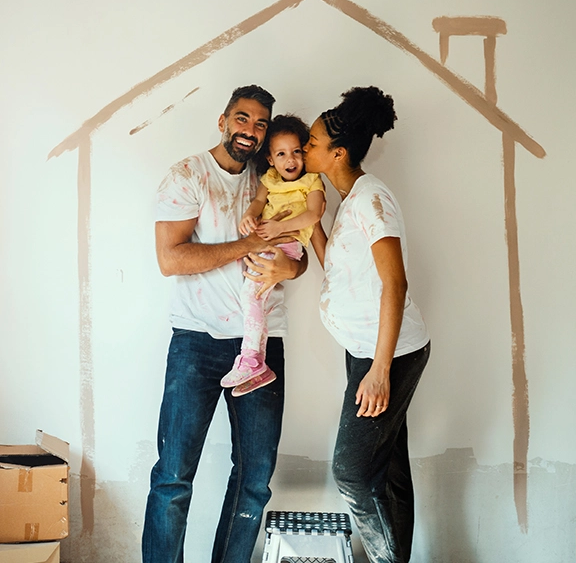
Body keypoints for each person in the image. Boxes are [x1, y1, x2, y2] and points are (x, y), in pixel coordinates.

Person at [142, 85, 308, 563]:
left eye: (260, 123)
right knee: (173, 477)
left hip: (261, 344)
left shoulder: (273, 174)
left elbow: (301, 252)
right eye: (242, 119)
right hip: (197, 340)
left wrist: (289, 268)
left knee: (255, 480)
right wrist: (246, 249)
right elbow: (170, 259)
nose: (250, 131)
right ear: (223, 119)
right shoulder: (187, 175)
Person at [303, 86, 431, 563]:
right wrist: (312, 223)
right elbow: (339, 271)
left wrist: (379, 371)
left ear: (338, 153)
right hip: (365, 349)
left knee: (353, 472)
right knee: (389, 468)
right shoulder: (350, 199)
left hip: (389, 355)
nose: (305, 148)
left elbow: (394, 284)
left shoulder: (373, 199)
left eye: (313, 142)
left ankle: (383, 558)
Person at [221, 114, 325, 396]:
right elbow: (258, 202)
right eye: (281, 154)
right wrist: (249, 217)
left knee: (250, 296)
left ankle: (250, 359)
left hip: (287, 244)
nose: (290, 160)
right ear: (270, 158)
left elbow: (314, 213)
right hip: (266, 244)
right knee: (257, 299)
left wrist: (280, 226)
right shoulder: (269, 179)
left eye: (296, 152)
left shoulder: (312, 181)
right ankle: (257, 364)